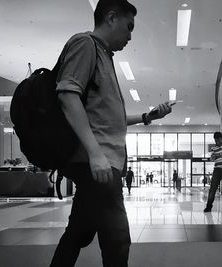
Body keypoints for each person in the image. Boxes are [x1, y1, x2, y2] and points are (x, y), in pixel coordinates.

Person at [50, 1, 173, 266]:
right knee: (117, 239)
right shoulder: (86, 44)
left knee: (77, 234)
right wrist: (95, 154)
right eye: (129, 27)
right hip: (99, 165)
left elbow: (108, 118)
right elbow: (67, 95)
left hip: (104, 164)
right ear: (111, 18)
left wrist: (146, 117)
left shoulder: (105, 55)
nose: (130, 36)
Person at [204, 132, 222, 212]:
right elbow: (212, 159)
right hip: (217, 170)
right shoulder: (214, 148)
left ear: (221, 138)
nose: (216, 142)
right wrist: (212, 157)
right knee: (212, 189)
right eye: (215, 140)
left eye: (218, 140)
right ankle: (208, 207)